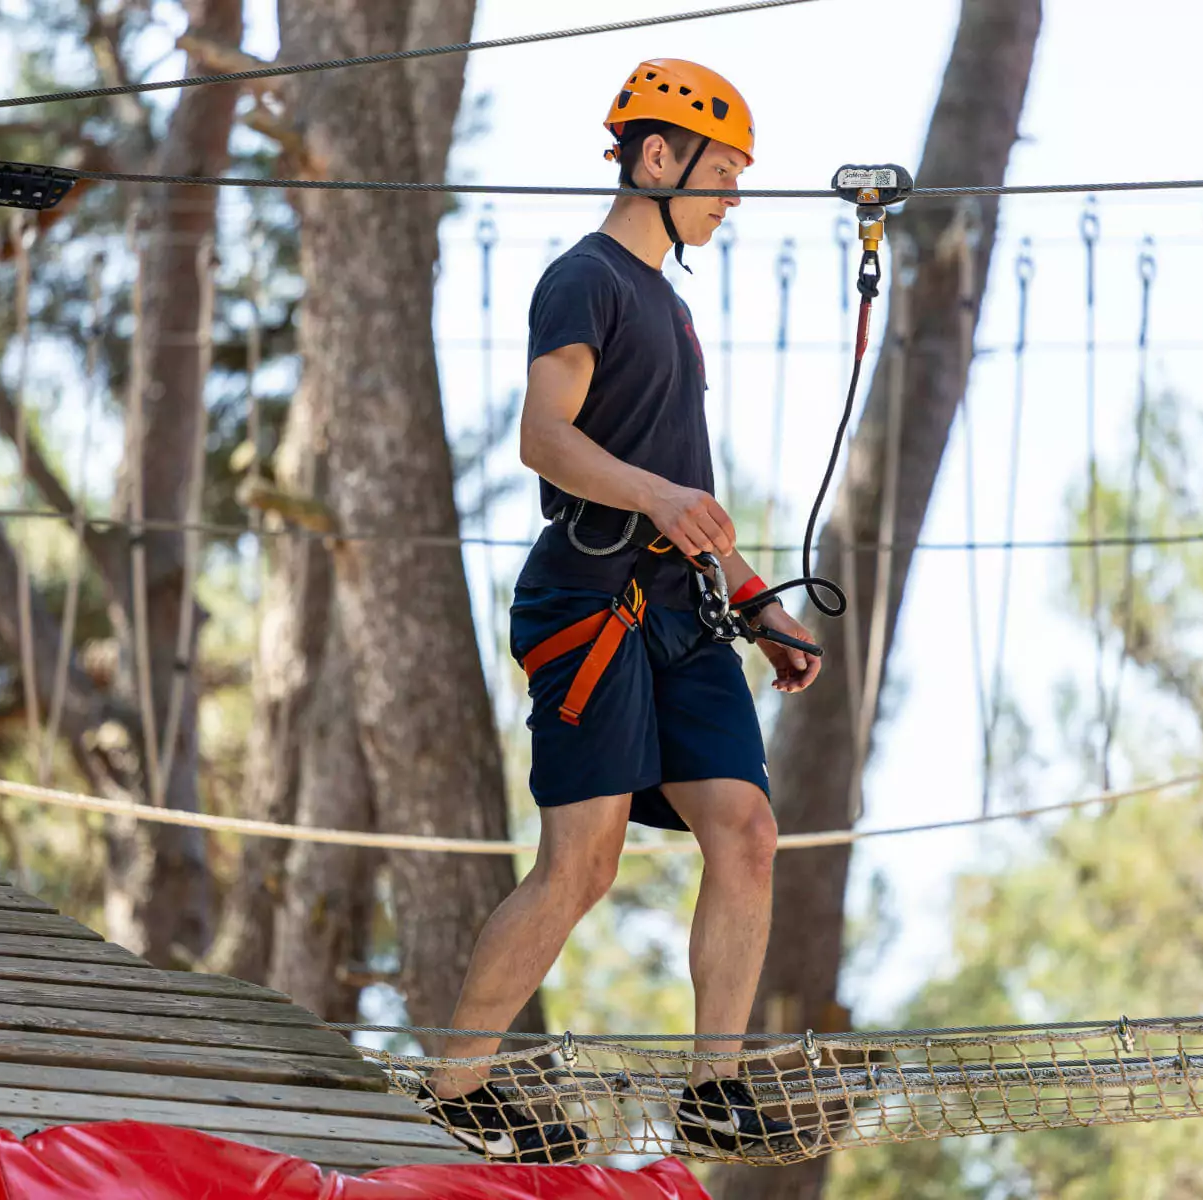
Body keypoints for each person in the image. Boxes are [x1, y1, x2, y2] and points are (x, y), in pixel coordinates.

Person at [415, 59, 822, 1163]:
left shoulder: (673, 310)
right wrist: (659, 500)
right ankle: (454, 1089)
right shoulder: (582, 278)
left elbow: (679, 478)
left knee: (746, 830)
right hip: (592, 598)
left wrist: (756, 603)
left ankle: (716, 1090)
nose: (733, 198)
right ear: (656, 157)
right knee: (582, 863)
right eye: (722, 173)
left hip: (685, 610)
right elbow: (544, 440)